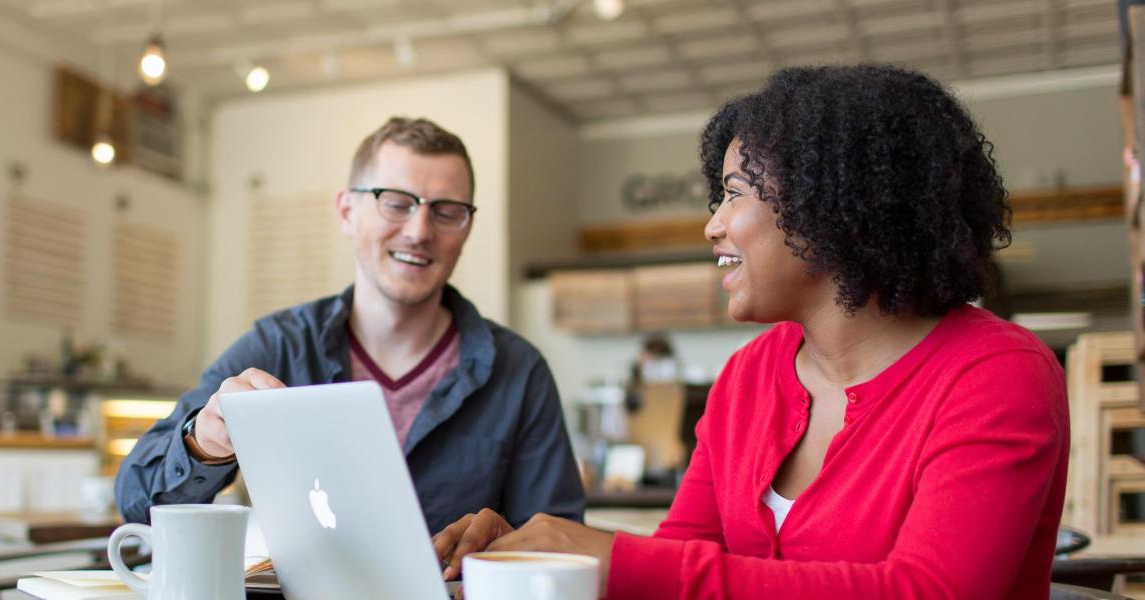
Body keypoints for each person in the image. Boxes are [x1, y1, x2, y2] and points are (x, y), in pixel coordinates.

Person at [432, 64, 1069, 599]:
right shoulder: (750, 375)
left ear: (833, 206)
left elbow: (928, 591)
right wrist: (538, 556)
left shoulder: (997, 373)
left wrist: (611, 556)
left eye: (734, 194)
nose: (713, 226)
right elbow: (684, 561)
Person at [116, 117, 585, 534]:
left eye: (446, 211)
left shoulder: (519, 373)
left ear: (466, 227)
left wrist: (507, 549)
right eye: (396, 203)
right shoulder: (278, 346)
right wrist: (206, 442)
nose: (420, 231)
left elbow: (562, 548)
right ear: (346, 211)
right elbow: (136, 505)